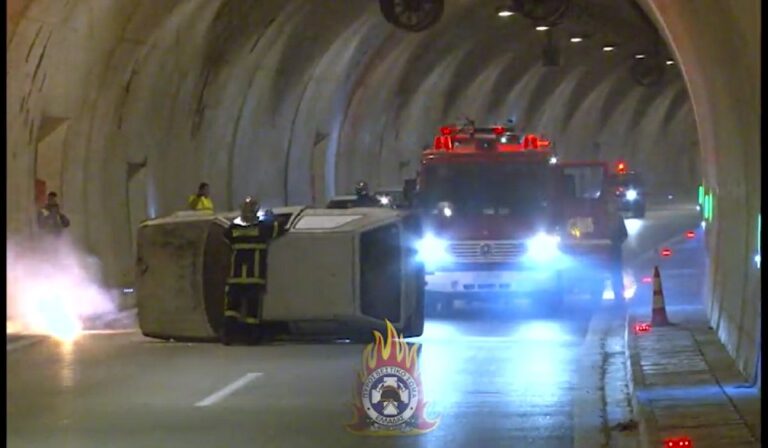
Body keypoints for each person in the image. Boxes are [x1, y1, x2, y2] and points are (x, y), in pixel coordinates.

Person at [220, 197, 286, 345]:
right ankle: (251, 337)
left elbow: (225, 235)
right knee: (252, 309)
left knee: (232, 308)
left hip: (235, 277)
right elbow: (280, 227)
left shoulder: (234, 228)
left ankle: (228, 336)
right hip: (254, 276)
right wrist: (272, 217)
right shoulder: (263, 228)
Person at [605, 194, 628, 305]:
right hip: (605, 249)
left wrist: (617, 242)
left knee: (616, 274)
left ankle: (619, 298)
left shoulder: (618, 218)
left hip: (615, 250)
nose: (611, 207)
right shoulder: (602, 219)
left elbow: (624, 234)